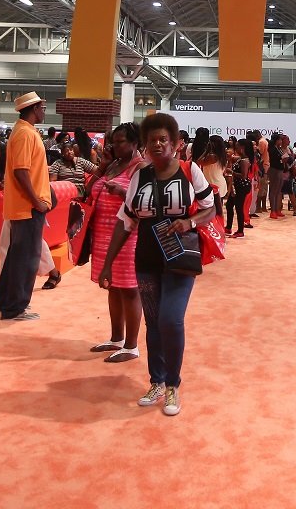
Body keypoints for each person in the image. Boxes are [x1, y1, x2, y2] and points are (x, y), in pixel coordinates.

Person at [101, 112, 216, 417]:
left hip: (180, 257)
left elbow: (210, 208)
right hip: (147, 258)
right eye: (151, 140)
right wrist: (108, 264)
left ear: (176, 144)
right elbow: (127, 221)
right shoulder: (140, 175)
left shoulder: (190, 171)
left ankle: (173, 385)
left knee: (170, 319)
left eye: (163, 139)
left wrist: (189, 222)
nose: (157, 144)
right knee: (153, 323)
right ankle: (157, 381)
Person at [86, 122, 145, 362]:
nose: (115, 146)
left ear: (134, 143)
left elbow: (143, 203)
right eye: (113, 141)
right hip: (104, 234)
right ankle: (116, 338)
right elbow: (89, 189)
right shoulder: (113, 164)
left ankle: (131, 345)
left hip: (127, 235)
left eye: (121, 142)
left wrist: (121, 193)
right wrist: (101, 166)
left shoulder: (140, 168)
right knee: (112, 286)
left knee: (129, 289)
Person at [0, 92, 53, 321]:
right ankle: (15, 307)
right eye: (43, 107)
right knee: (26, 259)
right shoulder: (25, 134)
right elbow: (21, 171)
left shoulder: (23, 132)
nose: (44, 111)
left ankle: (4, 301)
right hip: (28, 207)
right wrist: (36, 200)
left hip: (24, 206)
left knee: (16, 257)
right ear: (35, 108)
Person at [226, 139, 252, 237]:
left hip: (241, 186)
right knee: (229, 205)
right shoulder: (241, 158)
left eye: (237, 146)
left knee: (238, 207)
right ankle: (228, 227)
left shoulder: (244, 160)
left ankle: (240, 231)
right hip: (237, 185)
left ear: (242, 147)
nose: (235, 148)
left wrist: (231, 172)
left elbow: (244, 175)